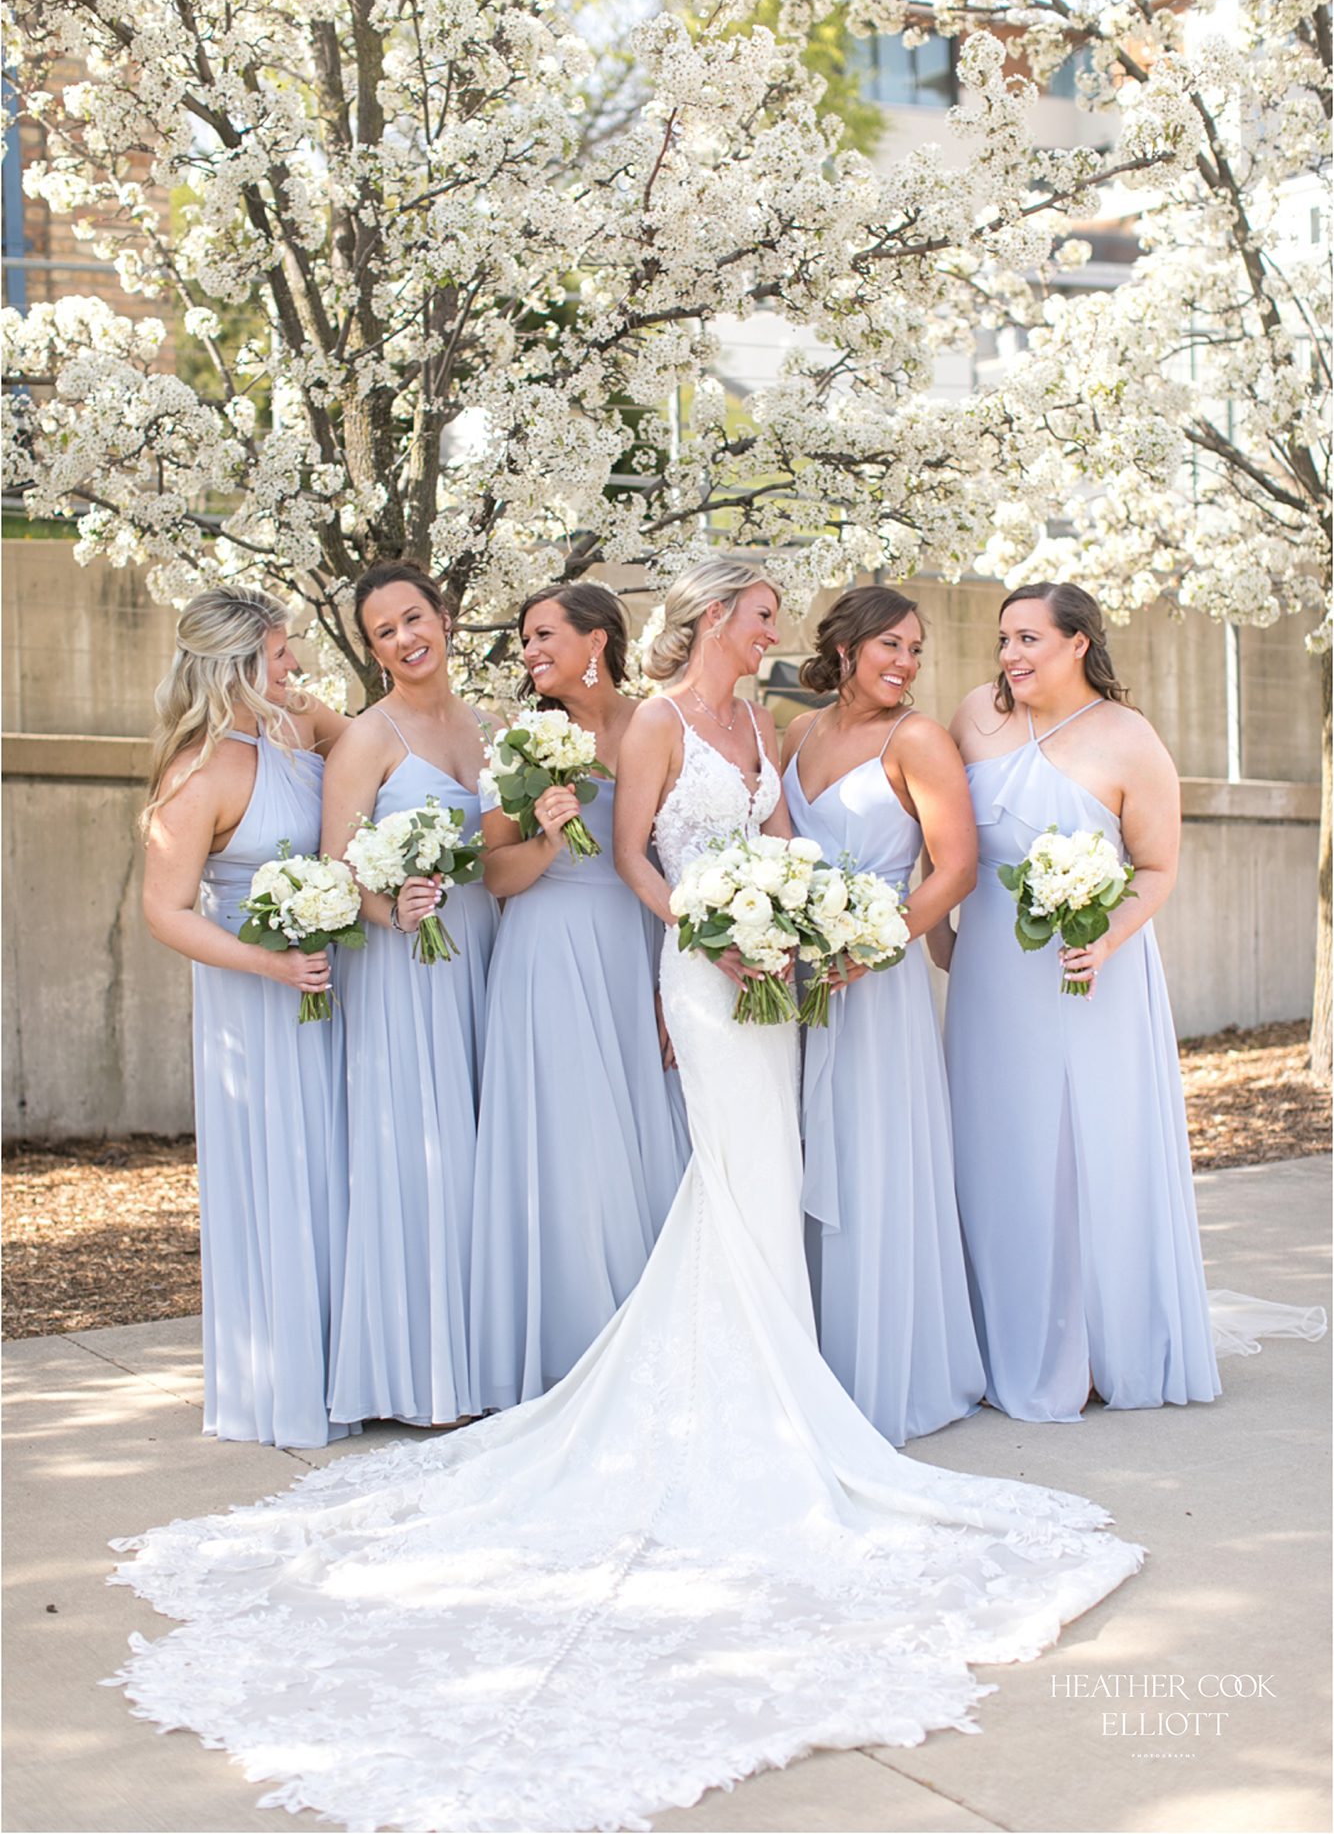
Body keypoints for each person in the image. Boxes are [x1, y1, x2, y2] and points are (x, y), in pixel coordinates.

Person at [111, 559, 1141, 1834]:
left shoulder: (758, 723)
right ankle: (746, 1385)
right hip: (702, 969)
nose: (781, 631)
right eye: (763, 612)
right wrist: (702, 936)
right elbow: (637, 853)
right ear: (718, 616)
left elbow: (772, 836)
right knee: (731, 1163)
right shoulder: (641, 720)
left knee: (752, 1171)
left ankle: (765, 1369)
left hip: (768, 959)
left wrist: (798, 916)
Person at [942, 580, 1222, 1420]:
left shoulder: (1130, 740)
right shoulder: (972, 718)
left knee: (1079, 1148)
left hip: (1090, 971)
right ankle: (1001, 1342)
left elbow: (1158, 868)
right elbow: (943, 834)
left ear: (1077, 643)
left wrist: (1106, 936)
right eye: (1003, 640)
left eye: (1029, 639)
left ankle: (1094, 1345)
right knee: (995, 1142)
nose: (1011, 656)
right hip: (992, 967)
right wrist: (934, 927)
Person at [140, 586, 351, 1449]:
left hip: (325, 984)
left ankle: (348, 1362)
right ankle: (282, 1380)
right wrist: (269, 962)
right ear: (235, 665)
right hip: (252, 995)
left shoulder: (294, 727)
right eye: (279, 654)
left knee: (333, 1162)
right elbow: (166, 909)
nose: (294, 663)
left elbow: (356, 743)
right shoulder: (196, 772)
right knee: (276, 1169)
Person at [469, 583, 688, 1410]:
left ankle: (656, 1339)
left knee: (641, 1125)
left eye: (543, 635)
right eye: (525, 639)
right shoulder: (518, 739)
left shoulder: (654, 725)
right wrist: (549, 836)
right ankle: (572, 1347)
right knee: (568, 1136)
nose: (528, 651)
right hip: (547, 946)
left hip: (636, 940)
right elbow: (496, 876)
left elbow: (673, 854)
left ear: (597, 640)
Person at [782, 584, 985, 1443]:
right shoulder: (798, 733)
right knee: (800, 1144)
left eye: (915, 650)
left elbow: (956, 869)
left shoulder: (921, 740)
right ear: (846, 648)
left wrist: (875, 944)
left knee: (875, 1151)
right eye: (890, 646)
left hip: (878, 977)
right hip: (797, 979)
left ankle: (890, 1364)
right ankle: (814, 1359)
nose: (905, 664)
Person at [320, 561, 498, 1429]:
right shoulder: (369, 737)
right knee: (423, 1151)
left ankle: (489, 1349)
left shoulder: (490, 725)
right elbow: (336, 865)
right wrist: (394, 909)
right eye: (383, 631)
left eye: (414, 618)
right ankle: (423, 1375)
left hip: (486, 950)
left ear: (447, 618)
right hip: (408, 966)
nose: (403, 639)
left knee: (485, 1145)